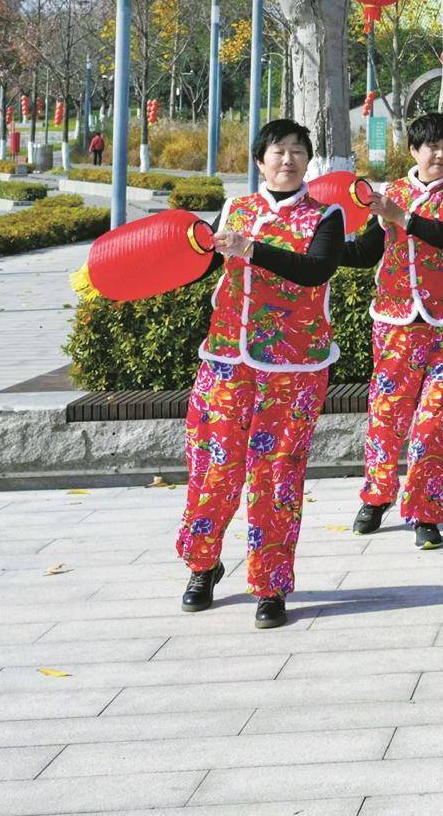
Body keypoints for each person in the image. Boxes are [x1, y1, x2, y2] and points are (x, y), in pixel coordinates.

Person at [175, 119, 346, 630]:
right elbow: (198, 264)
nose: (288, 159)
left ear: (308, 161)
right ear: (259, 160)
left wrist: (249, 249)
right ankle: (202, 566)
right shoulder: (235, 209)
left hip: (294, 367)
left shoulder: (326, 216)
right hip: (227, 360)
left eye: (298, 151)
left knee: (277, 476)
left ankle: (270, 586)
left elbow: (316, 269)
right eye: (278, 151)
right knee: (214, 467)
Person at [348, 111, 443, 551]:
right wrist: (317, 250)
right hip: (395, 321)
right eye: (433, 147)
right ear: (413, 150)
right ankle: (377, 495)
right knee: (387, 414)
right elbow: (369, 250)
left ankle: (425, 510)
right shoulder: (389, 194)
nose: (442, 155)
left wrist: (401, 217)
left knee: (434, 421)